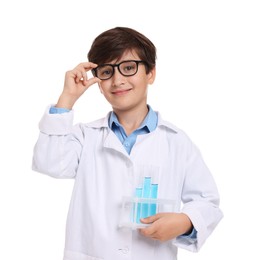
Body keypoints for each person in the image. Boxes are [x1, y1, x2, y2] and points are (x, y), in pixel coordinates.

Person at [32, 27, 223, 260]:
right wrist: (67, 98)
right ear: (99, 83)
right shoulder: (86, 137)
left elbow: (207, 201)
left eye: (129, 68)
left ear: (150, 73)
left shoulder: (176, 142)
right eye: (106, 71)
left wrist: (184, 221)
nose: (118, 80)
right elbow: (49, 162)